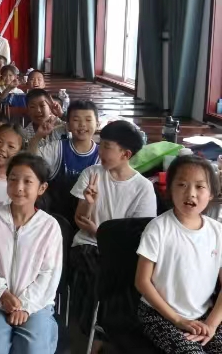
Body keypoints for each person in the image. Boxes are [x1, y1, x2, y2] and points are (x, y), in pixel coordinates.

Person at [69, 120, 156, 344]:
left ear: (125, 154)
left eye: (107, 146)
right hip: (87, 244)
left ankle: (113, 332)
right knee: (93, 272)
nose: (100, 150)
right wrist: (89, 203)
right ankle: (93, 335)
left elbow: (138, 235)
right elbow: (80, 220)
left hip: (121, 251)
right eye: (101, 144)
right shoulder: (91, 173)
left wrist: (101, 232)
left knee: (128, 278)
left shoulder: (143, 188)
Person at [0, 152, 62, 354]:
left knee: (33, 348)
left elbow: (49, 273)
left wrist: (25, 306)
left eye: (27, 181)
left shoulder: (49, 227)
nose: (18, 187)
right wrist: (2, 295)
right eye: (13, 179)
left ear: (42, 188)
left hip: (36, 304)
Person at [135, 156, 222, 353]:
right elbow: (142, 281)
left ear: (211, 193)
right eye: (182, 185)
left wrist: (211, 324)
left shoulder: (218, 232)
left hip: (203, 314)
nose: (190, 193)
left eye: (200, 186)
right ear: (169, 189)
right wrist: (178, 320)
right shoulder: (158, 228)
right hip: (159, 315)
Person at [30, 100, 99, 222]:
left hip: (88, 218)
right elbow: (31, 162)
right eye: (76, 120)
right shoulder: (58, 148)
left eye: (88, 120)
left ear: (97, 124)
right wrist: (38, 136)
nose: (82, 124)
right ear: (68, 126)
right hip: (55, 218)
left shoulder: (102, 155)